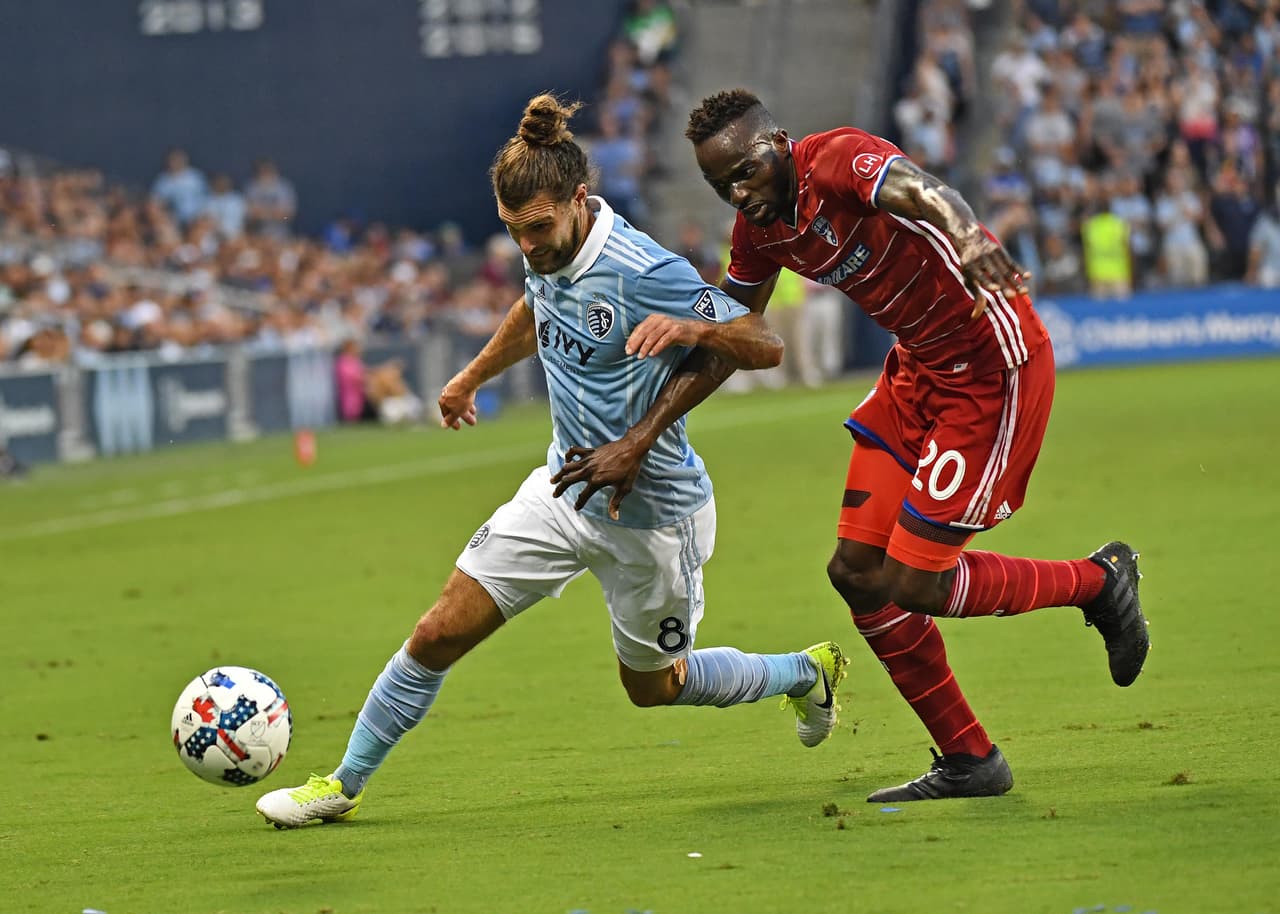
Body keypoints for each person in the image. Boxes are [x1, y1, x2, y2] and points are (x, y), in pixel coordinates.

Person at [255, 94, 848, 828]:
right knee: (438, 630)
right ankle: (341, 784)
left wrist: (689, 332)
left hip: (654, 517)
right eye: (513, 234)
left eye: (538, 228)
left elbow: (766, 343)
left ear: (579, 199)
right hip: (563, 490)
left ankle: (801, 671)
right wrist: (473, 375)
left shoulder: (638, 267)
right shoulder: (546, 250)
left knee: (654, 687)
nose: (528, 248)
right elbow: (539, 306)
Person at [549, 89, 1150, 803]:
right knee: (858, 572)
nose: (740, 194)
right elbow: (739, 342)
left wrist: (970, 236)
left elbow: (923, 189)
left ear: (779, 143)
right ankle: (969, 758)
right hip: (917, 371)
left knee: (917, 583)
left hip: (992, 367)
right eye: (722, 186)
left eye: (746, 171)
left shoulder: (837, 159)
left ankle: (1099, 583)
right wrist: (642, 436)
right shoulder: (758, 233)